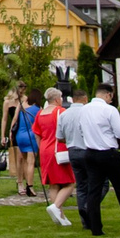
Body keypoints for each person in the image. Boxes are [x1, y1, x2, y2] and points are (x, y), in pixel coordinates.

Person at [62, 84, 120, 235]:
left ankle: (96, 228)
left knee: (93, 191)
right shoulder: (110, 110)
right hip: (108, 153)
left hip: (90, 153)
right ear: (108, 95)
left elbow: (81, 130)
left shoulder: (84, 110)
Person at [30, 86, 75, 229]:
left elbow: (37, 133)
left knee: (53, 183)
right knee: (70, 181)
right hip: (58, 149)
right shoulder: (60, 112)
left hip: (44, 149)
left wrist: (41, 147)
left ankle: (60, 215)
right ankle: (56, 207)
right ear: (57, 99)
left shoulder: (40, 113)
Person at [2, 83, 36, 197]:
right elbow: (5, 119)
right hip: (15, 129)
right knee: (19, 158)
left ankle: (28, 183)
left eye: (25, 87)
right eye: (21, 87)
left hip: (24, 129)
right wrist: (4, 135)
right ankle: (19, 182)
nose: (23, 90)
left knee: (26, 157)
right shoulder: (8, 102)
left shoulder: (26, 100)